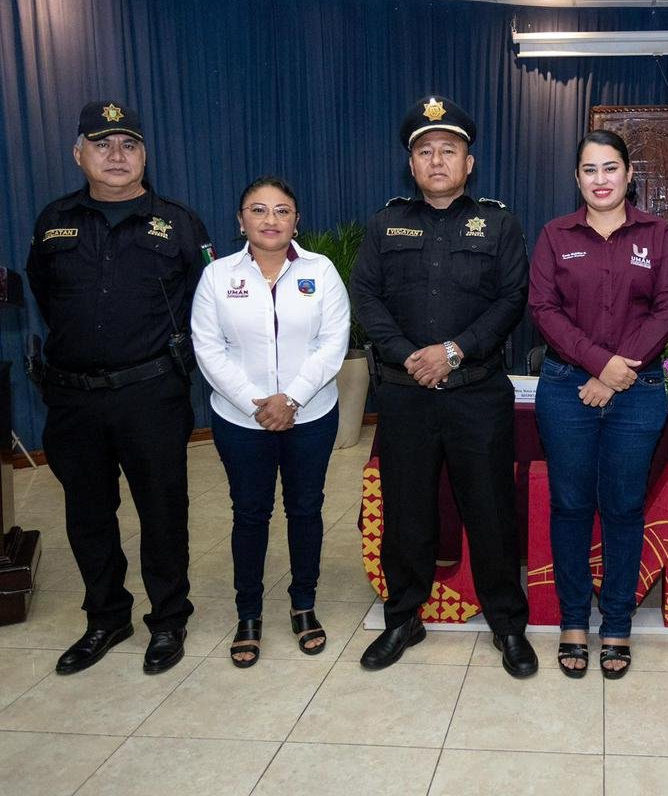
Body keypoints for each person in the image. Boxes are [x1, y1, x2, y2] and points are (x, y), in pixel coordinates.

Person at [350, 94, 536, 676]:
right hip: (405, 393)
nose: (437, 160)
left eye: (448, 150)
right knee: (407, 511)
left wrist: (454, 352)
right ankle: (404, 617)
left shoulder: (499, 223)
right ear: (411, 164)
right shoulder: (384, 224)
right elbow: (366, 297)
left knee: (491, 511)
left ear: (468, 163)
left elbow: (512, 299)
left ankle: (507, 623)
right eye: (426, 151)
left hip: (477, 392)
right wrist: (410, 357)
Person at [25, 101, 210, 675]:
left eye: (128, 144)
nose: (116, 155)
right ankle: (105, 617)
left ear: (144, 156)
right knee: (87, 514)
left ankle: (169, 619)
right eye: (101, 144)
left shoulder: (178, 223)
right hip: (73, 398)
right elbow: (43, 293)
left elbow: (203, 302)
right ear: (78, 154)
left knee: (163, 512)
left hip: (150, 394)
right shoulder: (54, 220)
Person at [528, 130, 668, 680]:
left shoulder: (657, 235)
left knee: (623, 508)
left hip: (637, 391)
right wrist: (600, 366)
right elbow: (543, 309)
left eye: (610, 167)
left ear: (628, 174)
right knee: (571, 506)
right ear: (577, 178)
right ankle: (574, 619)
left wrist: (616, 374)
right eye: (590, 169)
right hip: (566, 388)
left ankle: (617, 621)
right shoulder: (555, 235)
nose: (601, 179)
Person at [190, 176, 350, 667]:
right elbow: (208, 348)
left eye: (282, 210)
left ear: (296, 221)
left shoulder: (321, 270)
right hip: (241, 420)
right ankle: (249, 614)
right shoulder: (217, 276)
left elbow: (333, 342)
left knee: (305, 510)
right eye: (258, 210)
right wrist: (255, 403)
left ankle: (304, 604)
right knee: (249, 513)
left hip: (312, 414)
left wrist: (293, 399)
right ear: (241, 221)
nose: (270, 219)